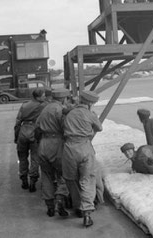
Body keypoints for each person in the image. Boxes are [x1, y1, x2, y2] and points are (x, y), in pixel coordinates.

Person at [62, 90, 103, 228]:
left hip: (69, 148)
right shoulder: (90, 114)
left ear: (80, 99)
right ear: (91, 103)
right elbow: (99, 128)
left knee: (71, 179)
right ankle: (87, 213)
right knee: (87, 179)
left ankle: (77, 207)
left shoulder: (70, 113)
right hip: (85, 147)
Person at [35, 88, 71, 218]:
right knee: (64, 174)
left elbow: (37, 127)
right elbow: (66, 128)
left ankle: (49, 207)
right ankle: (60, 201)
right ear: (63, 99)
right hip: (57, 144)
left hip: (43, 144)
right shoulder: (60, 110)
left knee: (46, 176)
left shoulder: (45, 108)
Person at [14, 88, 47, 192]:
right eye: (43, 95)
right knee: (35, 158)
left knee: (22, 157)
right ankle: (33, 181)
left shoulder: (24, 105)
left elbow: (18, 122)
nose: (45, 97)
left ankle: (24, 179)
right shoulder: (43, 106)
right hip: (35, 132)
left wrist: (16, 137)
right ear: (38, 96)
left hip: (23, 131)